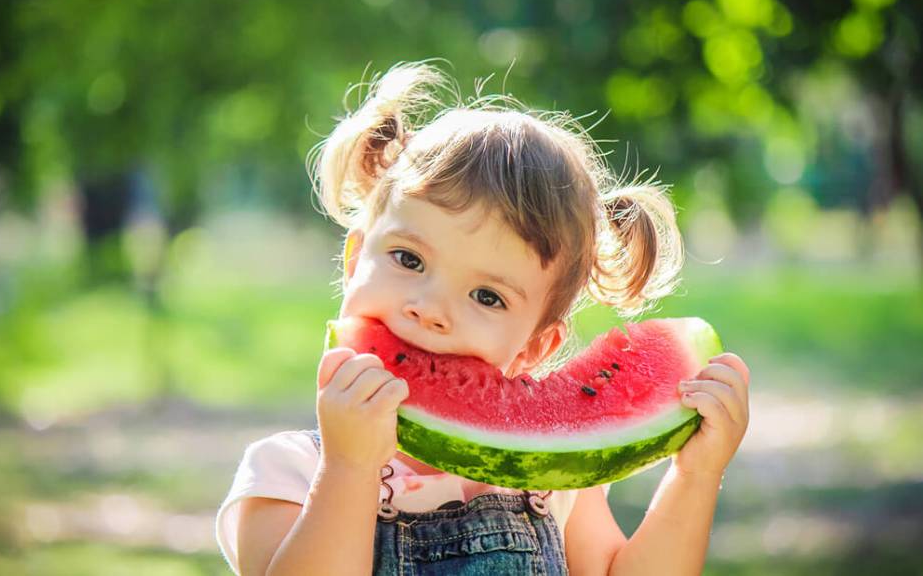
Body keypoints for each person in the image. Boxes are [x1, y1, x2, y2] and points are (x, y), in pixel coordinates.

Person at [215, 60, 751, 575]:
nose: (430, 310)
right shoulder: (286, 471)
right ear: (355, 260)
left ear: (534, 348)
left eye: (487, 297)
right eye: (409, 259)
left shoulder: (550, 483)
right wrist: (349, 469)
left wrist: (696, 475)